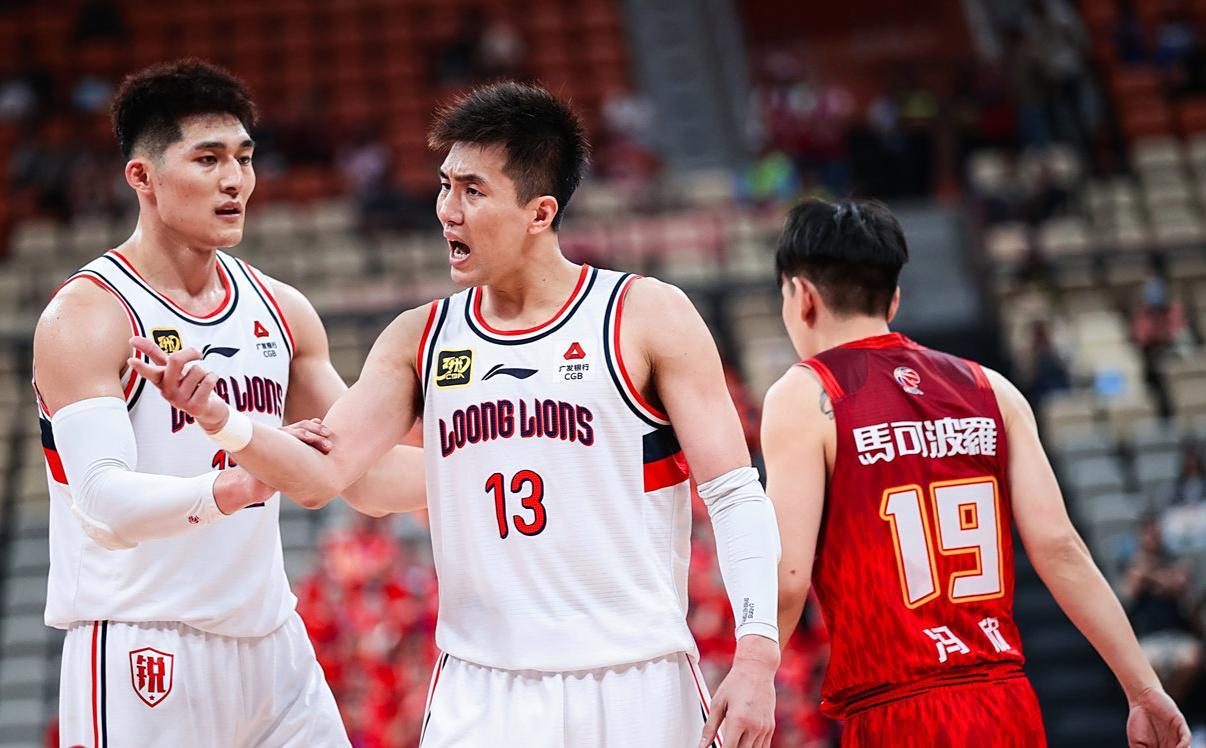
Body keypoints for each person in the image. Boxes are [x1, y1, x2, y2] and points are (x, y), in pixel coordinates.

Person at [131, 80, 782, 748]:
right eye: (445, 186)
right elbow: (327, 477)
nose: (447, 210)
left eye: (473, 191)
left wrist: (757, 655)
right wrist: (221, 419)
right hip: (481, 690)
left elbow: (734, 494)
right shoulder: (419, 338)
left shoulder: (645, 315)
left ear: (539, 213)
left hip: (635, 679)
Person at [32, 59, 422, 746]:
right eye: (208, 159)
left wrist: (492, 465)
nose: (235, 179)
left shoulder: (282, 310)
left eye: (244, 158)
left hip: (272, 645)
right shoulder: (90, 315)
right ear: (143, 177)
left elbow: (361, 475)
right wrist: (236, 487)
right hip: (144, 645)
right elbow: (102, 503)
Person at [763, 198, 1190, 747]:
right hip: (1007, 702)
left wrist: (752, 676)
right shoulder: (994, 389)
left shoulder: (805, 394)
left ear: (801, 297)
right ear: (894, 298)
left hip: (899, 708)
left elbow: (788, 577)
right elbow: (1060, 548)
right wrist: (1143, 688)